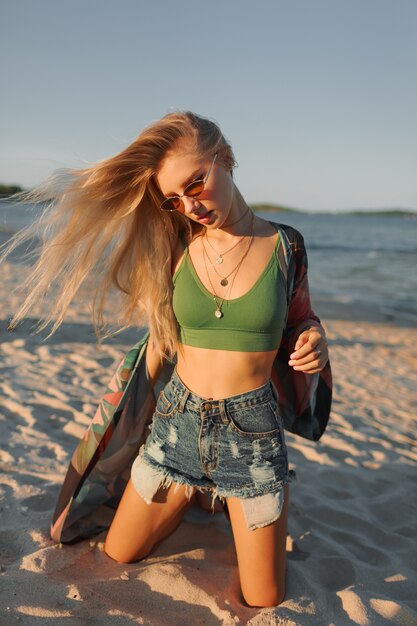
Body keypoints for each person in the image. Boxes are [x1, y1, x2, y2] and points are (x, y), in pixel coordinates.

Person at [1, 110, 331, 608]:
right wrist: (120, 429)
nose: (189, 205)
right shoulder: (177, 245)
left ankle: (210, 497)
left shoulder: (285, 244)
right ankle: (197, 496)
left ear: (224, 157)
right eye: (175, 199)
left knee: (264, 598)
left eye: (195, 184)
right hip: (176, 424)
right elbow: (158, 347)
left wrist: (314, 340)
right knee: (120, 552)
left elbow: (301, 319)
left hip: (253, 436)